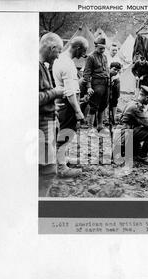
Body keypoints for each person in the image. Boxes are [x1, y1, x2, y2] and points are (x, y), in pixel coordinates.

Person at [52, 36, 89, 177]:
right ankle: (61, 167)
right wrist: (78, 111)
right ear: (77, 48)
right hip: (68, 104)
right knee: (66, 134)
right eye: (83, 50)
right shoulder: (67, 64)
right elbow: (70, 91)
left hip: (64, 103)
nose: (84, 54)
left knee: (64, 133)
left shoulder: (61, 59)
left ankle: (61, 160)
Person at [38, 32, 70, 195]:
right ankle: (41, 203)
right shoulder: (35, 66)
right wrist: (55, 93)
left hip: (48, 122)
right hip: (41, 126)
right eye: (58, 52)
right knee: (47, 171)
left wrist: (52, 105)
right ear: (52, 48)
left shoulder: (43, 66)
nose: (57, 57)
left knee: (46, 169)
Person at [114, 86, 148, 164]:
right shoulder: (136, 107)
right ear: (147, 97)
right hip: (124, 136)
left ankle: (130, 151)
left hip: (122, 134)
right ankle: (142, 156)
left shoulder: (132, 102)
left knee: (140, 129)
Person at [83, 36, 110, 132]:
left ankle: (100, 126)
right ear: (95, 46)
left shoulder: (105, 57)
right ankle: (90, 128)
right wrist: (89, 87)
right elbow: (86, 74)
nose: (102, 50)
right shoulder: (91, 57)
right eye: (100, 48)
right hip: (96, 84)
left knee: (103, 105)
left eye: (104, 48)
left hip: (106, 84)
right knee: (94, 106)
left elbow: (106, 70)